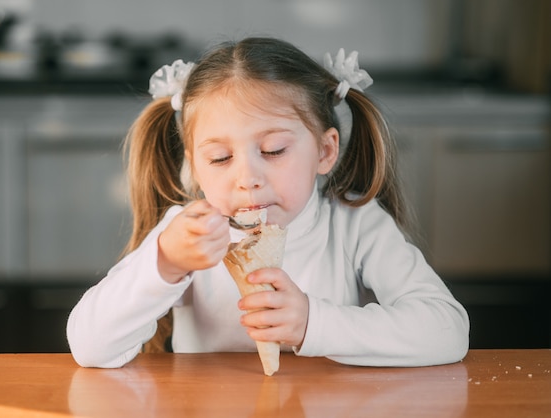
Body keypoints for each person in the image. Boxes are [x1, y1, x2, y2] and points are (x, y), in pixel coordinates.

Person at [66, 37, 469, 368]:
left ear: (325, 151)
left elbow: (447, 331)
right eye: (220, 159)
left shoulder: (354, 223)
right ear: (195, 168)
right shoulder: (184, 233)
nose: (247, 180)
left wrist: (314, 322)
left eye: (274, 150)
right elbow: (90, 347)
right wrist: (166, 263)